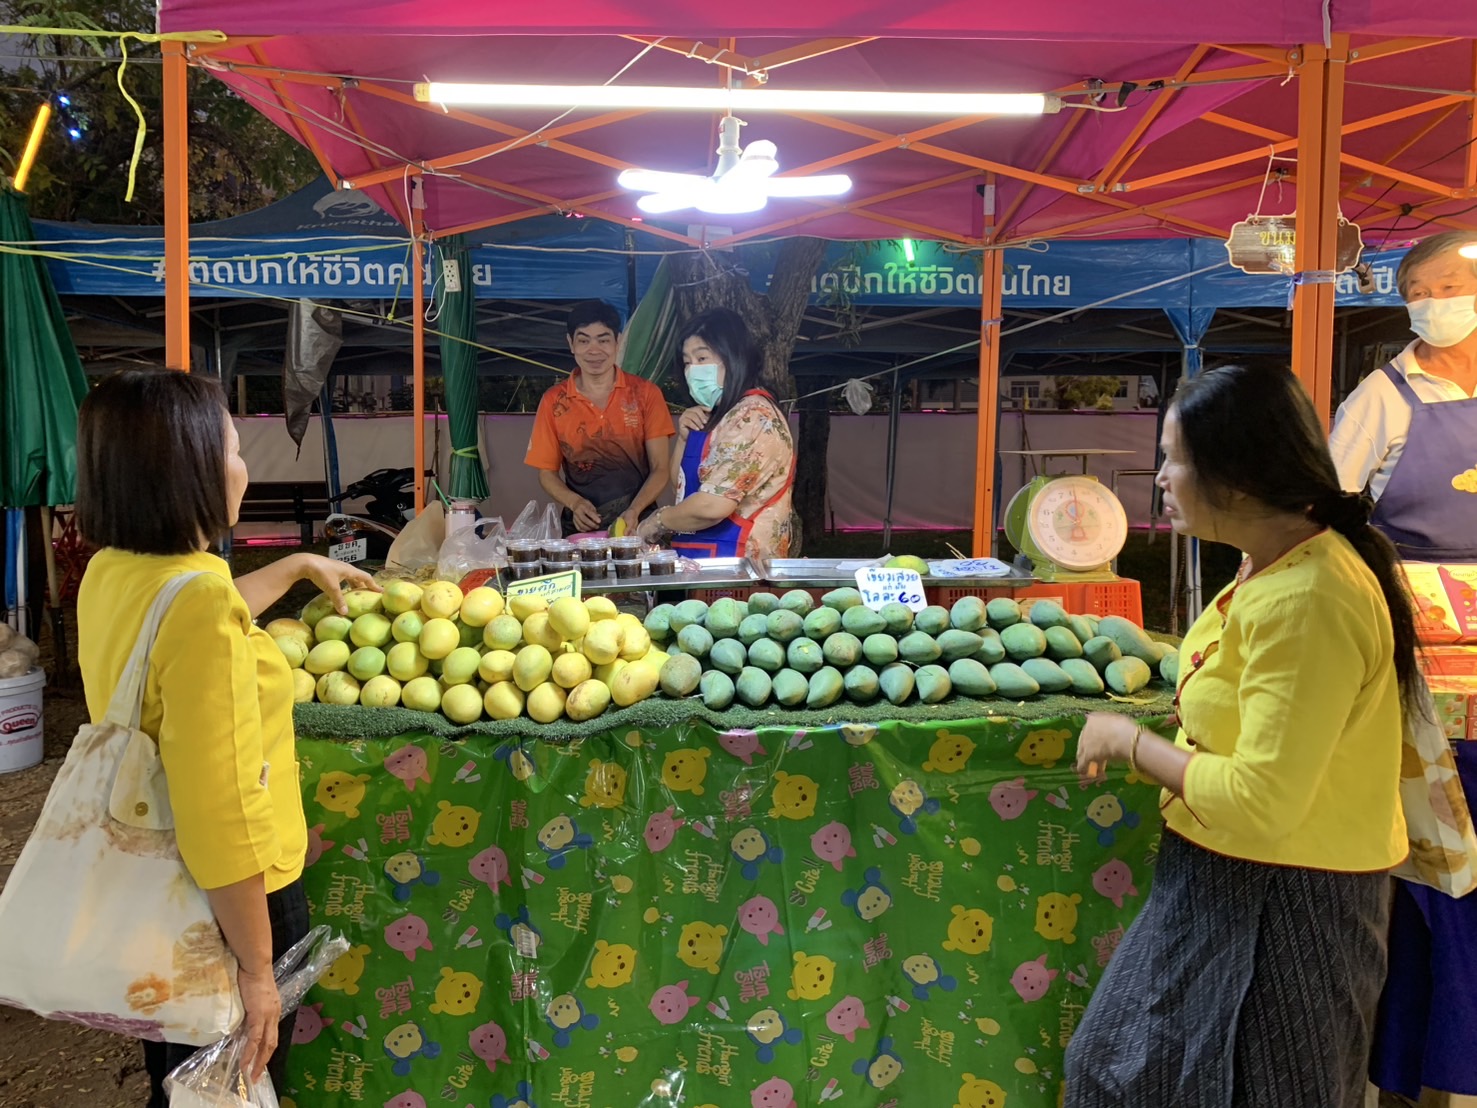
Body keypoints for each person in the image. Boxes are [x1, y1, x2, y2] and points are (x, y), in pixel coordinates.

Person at [1063, 362, 1422, 1108]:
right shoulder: (1270, 563)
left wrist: (1130, 743)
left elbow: (1261, 800)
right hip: (1217, 869)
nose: (1161, 478)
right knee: (1113, 1069)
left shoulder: (1311, 599)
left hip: (1292, 897)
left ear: (1237, 475)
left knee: (1263, 1088)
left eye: (1175, 459)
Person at [73, 369, 376, 1107]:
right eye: (234, 448)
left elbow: (189, 620)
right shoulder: (199, 604)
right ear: (188, 468)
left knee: (181, 1077)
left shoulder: (116, 572)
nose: (242, 466)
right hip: (228, 898)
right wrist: (258, 970)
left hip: (149, 879)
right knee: (227, 1084)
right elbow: (222, 814)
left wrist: (295, 566)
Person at [1329, 230, 1477, 562]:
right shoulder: (1380, 395)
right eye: (1419, 293)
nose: (1434, 302)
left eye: (1449, 287)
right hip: (1415, 577)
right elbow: (1332, 494)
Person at [635, 307, 795, 561]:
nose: (693, 371)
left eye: (702, 358)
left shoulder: (752, 416)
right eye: (687, 362)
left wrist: (656, 521)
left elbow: (711, 506)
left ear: (733, 357)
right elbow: (683, 487)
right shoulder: (722, 416)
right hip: (709, 560)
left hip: (744, 566)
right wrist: (685, 439)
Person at [524, 299, 675, 536]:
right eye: (584, 341)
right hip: (580, 526)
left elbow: (660, 468)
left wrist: (634, 510)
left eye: (603, 340)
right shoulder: (553, 401)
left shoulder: (646, 393)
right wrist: (575, 503)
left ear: (618, 341)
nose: (594, 351)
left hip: (638, 522)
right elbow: (546, 473)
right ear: (571, 344)